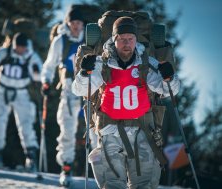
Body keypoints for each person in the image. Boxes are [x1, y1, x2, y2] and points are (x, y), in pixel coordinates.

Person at [72, 17, 180, 189]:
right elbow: (80, 90)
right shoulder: (102, 63)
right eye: (122, 39)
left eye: (130, 38)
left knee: (143, 183)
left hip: (142, 131)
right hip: (110, 131)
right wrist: (84, 73)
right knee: (113, 183)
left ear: (136, 40)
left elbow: (168, 91)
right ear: (114, 40)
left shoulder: (147, 63)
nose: (126, 43)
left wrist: (170, 78)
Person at [40, 7, 97, 186]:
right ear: (68, 23)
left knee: (96, 130)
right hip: (69, 89)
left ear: (83, 24)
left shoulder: (90, 39)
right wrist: (46, 82)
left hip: (90, 89)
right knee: (67, 129)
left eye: (79, 23)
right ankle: (66, 168)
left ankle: (101, 171)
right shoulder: (61, 41)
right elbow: (49, 65)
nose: (76, 26)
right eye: (73, 23)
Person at [0, 32, 43, 171]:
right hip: (1, 91)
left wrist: (37, 72)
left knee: (26, 123)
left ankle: (31, 157)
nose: (20, 50)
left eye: (22, 47)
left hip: (21, 92)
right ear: (14, 45)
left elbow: (39, 76)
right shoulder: (4, 52)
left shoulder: (30, 56)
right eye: (18, 47)